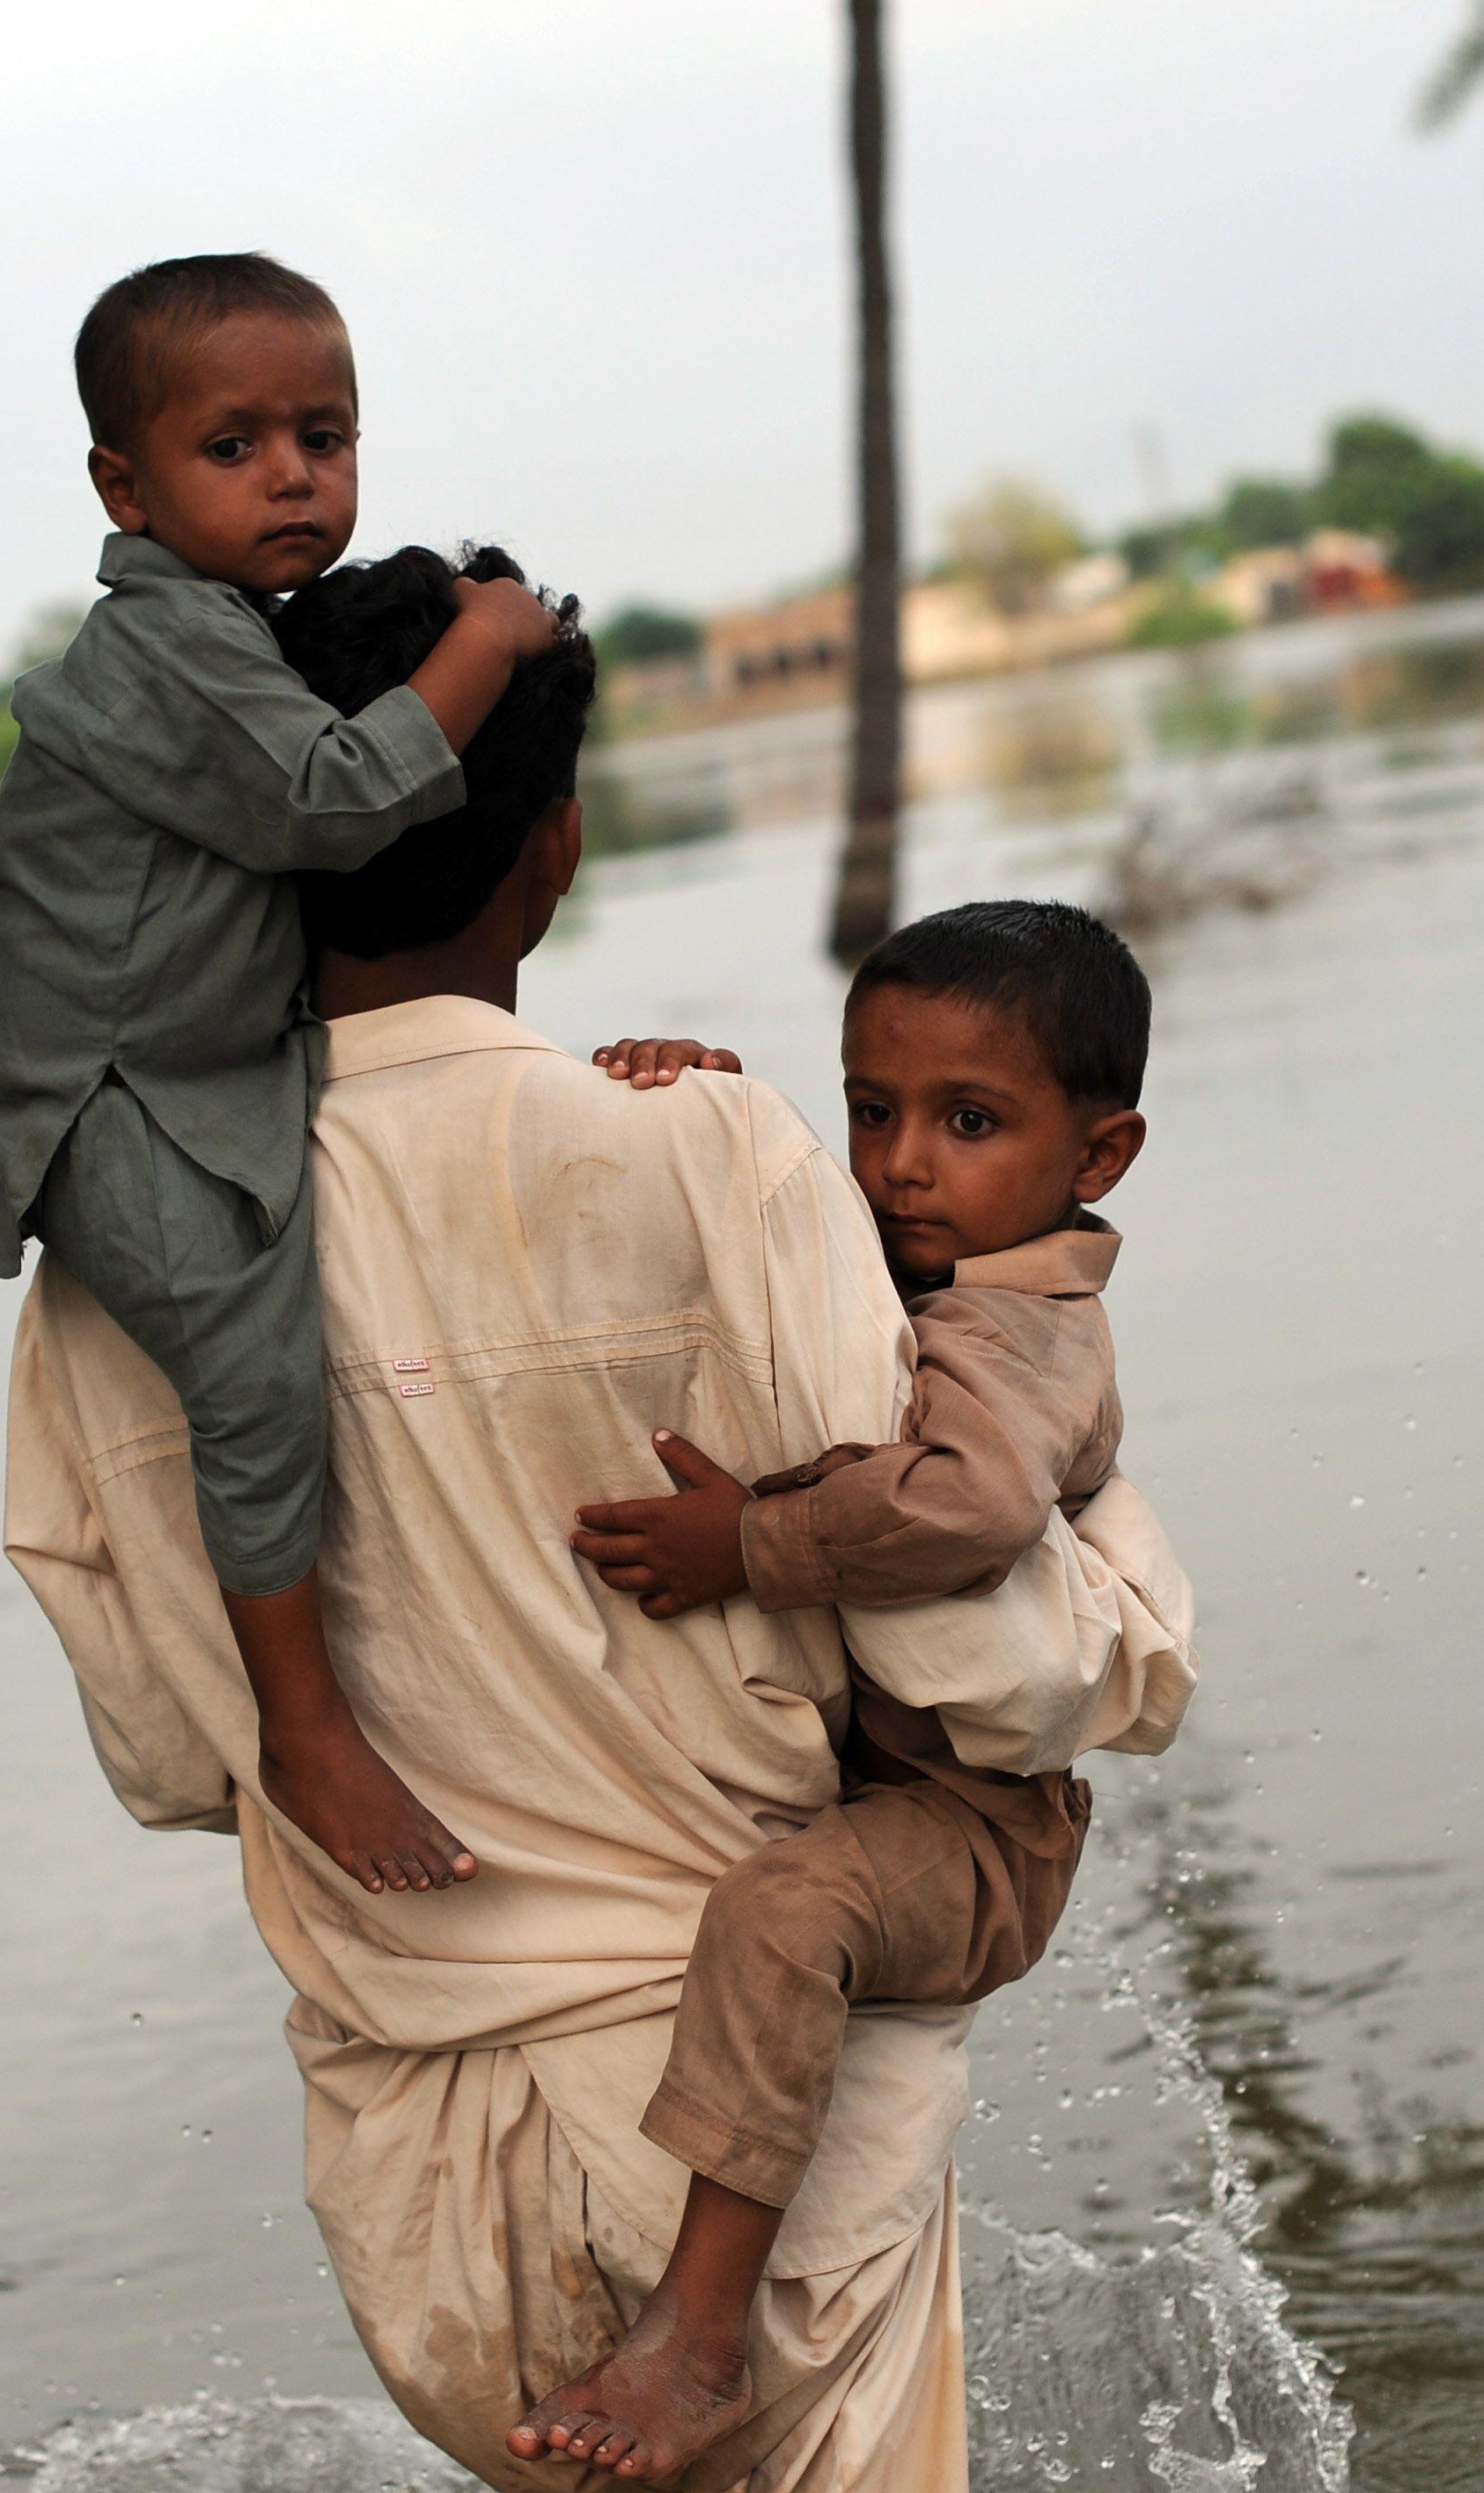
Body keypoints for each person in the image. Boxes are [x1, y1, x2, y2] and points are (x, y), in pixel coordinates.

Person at [2, 545, 1195, 2491]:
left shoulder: (111, 1265)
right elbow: (983, 1673)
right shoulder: (710, 1151)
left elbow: (167, 1762)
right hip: (745, 2130)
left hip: (415, 2173)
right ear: (550, 849)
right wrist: (1137, 1626)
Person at [516, 900, 1164, 2481]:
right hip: (895, 1786)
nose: (900, 1164)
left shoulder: (1025, 1328)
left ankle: (699, 2338)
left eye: (969, 1121)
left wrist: (747, 1539)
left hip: (974, 1834)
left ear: (1101, 1153)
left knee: (780, 1917)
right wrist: (715, 1113)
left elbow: (968, 1506)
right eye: (871, 1110)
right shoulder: (923, 1254)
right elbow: (800, 1248)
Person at [0, 253, 558, 1902]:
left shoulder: (226, 631)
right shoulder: (169, 643)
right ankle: (308, 1725)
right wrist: (492, 643)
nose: (296, 475)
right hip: (114, 1088)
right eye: (236, 447)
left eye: (326, 434)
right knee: (257, 1372)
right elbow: (345, 796)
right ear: (123, 485)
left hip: (198, 1051)